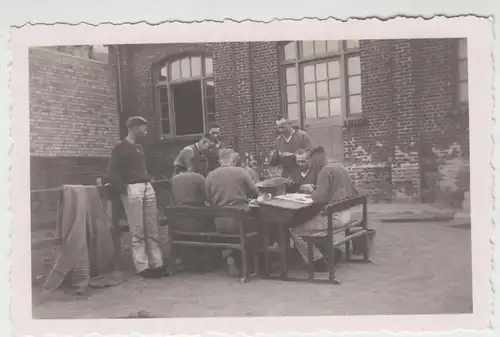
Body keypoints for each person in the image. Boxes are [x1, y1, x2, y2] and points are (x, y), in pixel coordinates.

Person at [106, 116, 165, 279]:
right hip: (132, 188)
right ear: (133, 128)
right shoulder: (119, 149)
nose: (145, 132)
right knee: (137, 229)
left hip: (147, 186)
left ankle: (157, 263)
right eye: (142, 129)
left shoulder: (141, 148)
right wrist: (125, 190)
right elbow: (112, 174)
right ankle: (142, 266)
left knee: (152, 227)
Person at [289, 146, 359, 272]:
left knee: (295, 230)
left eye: (310, 159)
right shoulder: (339, 167)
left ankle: (317, 261)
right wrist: (317, 187)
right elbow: (348, 190)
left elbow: (319, 199)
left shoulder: (324, 171)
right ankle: (328, 251)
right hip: (347, 213)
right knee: (313, 220)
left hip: (335, 217)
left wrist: (312, 191)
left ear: (315, 159)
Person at [205, 149, 259, 276]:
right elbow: (254, 193)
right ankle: (253, 265)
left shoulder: (210, 175)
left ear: (219, 161)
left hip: (219, 222)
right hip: (239, 221)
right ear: (234, 160)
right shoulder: (241, 172)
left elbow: (208, 198)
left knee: (234, 234)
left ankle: (231, 256)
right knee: (260, 226)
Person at [171, 169, 219, 272]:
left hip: (179, 222)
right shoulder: (198, 177)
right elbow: (209, 198)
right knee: (214, 224)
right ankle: (208, 261)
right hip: (196, 222)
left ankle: (187, 259)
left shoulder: (174, 179)